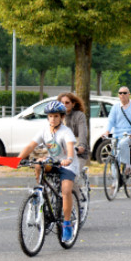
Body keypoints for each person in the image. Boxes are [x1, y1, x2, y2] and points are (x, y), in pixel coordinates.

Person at [17, 100, 77, 243]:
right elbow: (31, 146)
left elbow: (70, 148)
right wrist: (18, 159)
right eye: (50, 116)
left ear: (61, 117)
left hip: (67, 165)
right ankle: (40, 191)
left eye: (56, 116)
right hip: (53, 162)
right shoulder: (44, 131)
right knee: (38, 163)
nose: (52, 119)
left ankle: (67, 224)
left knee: (66, 191)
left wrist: (68, 159)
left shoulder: (66, 132)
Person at [102, 86, 131, 175]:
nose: (122, 95)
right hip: (116, 134)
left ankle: (127, 165)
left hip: (129, 134)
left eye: (124, 93)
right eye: (120, 93)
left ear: (129, 94)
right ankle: (115, 181)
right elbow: (111, 120)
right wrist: (107, 131)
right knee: (114, 156)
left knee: (123, 144)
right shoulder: (115, 107)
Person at [58, 93, 88, 169]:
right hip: (61, 153)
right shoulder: (56, 117)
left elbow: (82, 134)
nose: (64, 105)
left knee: (70, 175)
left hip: (77, 153)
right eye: (62, 103)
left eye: (67, 103)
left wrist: (81, 147)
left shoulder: (80, 115)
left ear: (73, 104)